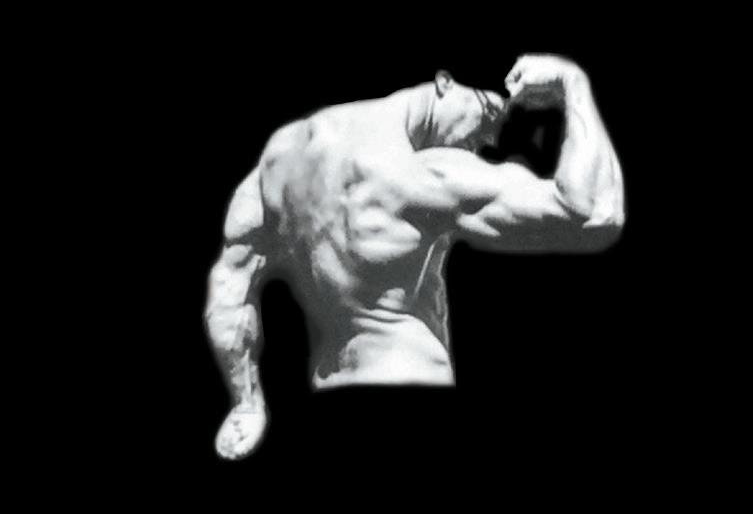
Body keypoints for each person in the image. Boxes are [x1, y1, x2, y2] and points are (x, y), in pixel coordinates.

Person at [205, 55, 625, 460]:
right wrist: (573, 82)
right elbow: (595, 213)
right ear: (445, 83)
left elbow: (228, 291)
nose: (490, 141)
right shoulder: (422, 175)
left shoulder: (281, 156)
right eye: (491, 114)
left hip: (328, 393)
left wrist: (246, 404)